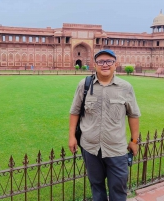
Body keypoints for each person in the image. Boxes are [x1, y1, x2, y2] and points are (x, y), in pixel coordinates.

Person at [69, 49, 141, 201]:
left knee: (118, 190)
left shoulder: (125, 87)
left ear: (116, 64)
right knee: (97, 188)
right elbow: (74, 111)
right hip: (91, 148)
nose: (105, 65)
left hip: (116, 149)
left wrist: (134, 141)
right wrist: (71, 137)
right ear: (95, 65)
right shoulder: (85, 85)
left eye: (109, 61)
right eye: (101, 61)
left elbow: (133, 115)